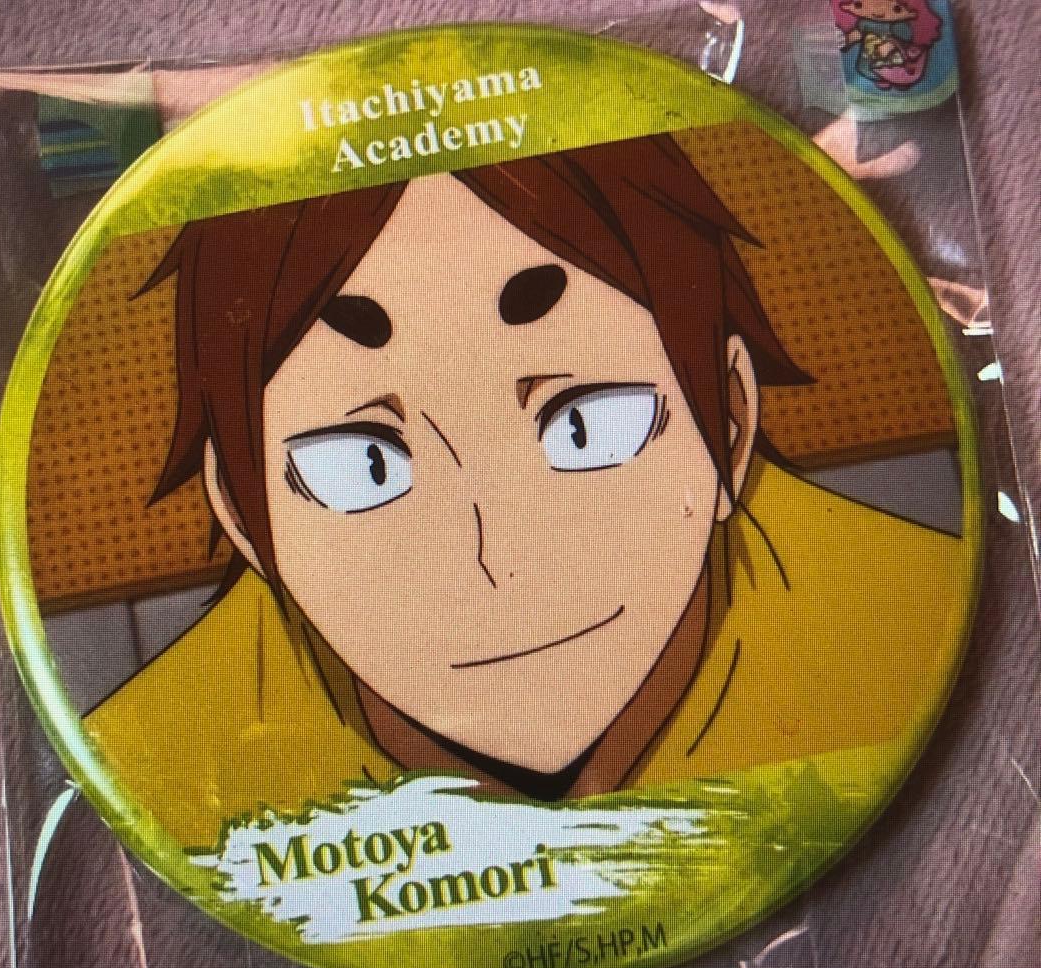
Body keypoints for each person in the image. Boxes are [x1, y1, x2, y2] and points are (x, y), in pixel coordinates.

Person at [85, 133, 963, 846]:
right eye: (364, 467)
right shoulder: (165, 755)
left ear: (730, 425)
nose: (499, 562)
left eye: (587, 426)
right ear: (243, 516)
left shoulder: (899, 614)